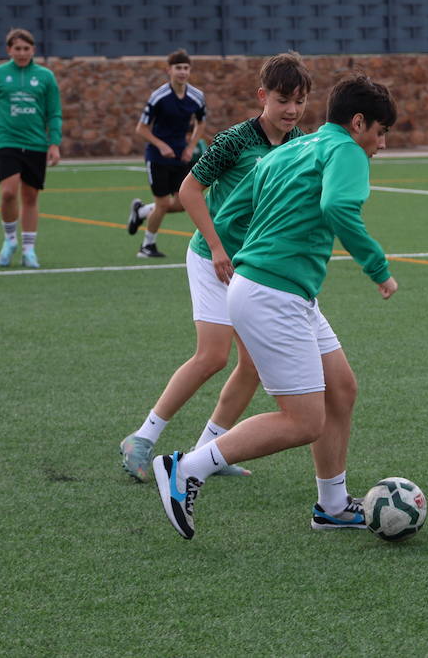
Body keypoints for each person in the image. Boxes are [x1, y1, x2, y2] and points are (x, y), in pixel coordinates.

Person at [152, 73, 398, 540]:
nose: (381, 145)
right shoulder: (344, 149)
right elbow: (339, 207)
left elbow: (229, 212)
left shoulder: (291, 150)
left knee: (340, 389)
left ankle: (331, 505)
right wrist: (378, 268)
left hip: (278, 290)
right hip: (273, 294)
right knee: (303, 420)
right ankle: (186, 468)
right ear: (358, 122)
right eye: (380, 132)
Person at [120, 52, 313, 484]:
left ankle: (209, 449)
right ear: (263, 96)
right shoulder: (234, 141)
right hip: (212, 258)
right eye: (284, 99)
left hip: (252, 268)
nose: (292, 110)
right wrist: (218, 246)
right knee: (212, 356)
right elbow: (190, 192)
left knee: (253, 365)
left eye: (300, 101)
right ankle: (141, 438)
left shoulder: (300, 142)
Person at [0, 28, 62, 270]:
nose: (22, 53)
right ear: (9, 50)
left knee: (30, 197)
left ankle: (29, 249)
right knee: (8, 193)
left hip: (35, 144)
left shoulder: (45, 77)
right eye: (17, 49)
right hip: (7, 141)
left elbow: (54, 112)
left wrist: (54, 143)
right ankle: (10, 240)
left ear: (33, 50)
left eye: (26, 49)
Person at [126, 50, 205, 259]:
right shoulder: (159, 97)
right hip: (158, 158)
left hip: (181, 157)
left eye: (186, 68)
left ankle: (141, 212)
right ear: (169, 70)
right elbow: (141, 128)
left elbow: (201, 123)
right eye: (178, 68)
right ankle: (147, 246)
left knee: (182, 203)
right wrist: (160, 145)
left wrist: (191, 147)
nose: (182, 72)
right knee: (162, 204)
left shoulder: (196, 97)